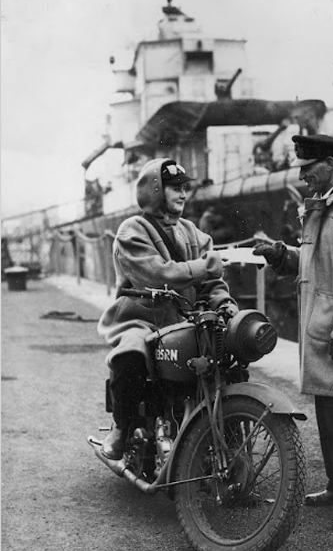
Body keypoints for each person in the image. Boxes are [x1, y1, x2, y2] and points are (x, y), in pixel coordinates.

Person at [253, 134, 333, 532]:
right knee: (330, 413)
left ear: (329, 164)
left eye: (308, 168)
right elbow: (315, 264)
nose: (302, 175)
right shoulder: (327, 206)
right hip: (323, 329)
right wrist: (282, 255)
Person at [98, 158, 238, 460]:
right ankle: (121, 426)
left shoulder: (193, 232)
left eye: (184, 188)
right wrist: (204, 266)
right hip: (141, 318)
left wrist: (225, 304)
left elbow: (211, 283)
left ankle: (232, 440)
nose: (183, 194)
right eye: (175, 188)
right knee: (130, 355)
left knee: (231, 355)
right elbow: (158, 273)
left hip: (186, 318)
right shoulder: (131, 231)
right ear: (156, 191)